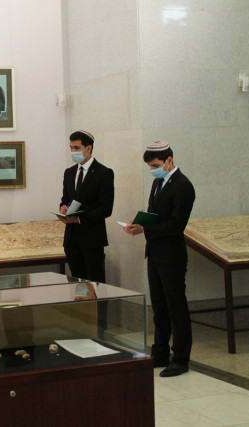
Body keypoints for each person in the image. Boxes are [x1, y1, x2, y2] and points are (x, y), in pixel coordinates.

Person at [124, 141, 195, 377]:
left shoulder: (183, 186)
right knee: (159, 307)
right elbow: (155, 215)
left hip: (171, 256)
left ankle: (181, 358)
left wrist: (145, 229)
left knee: (176, 307)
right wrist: (139, 222)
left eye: (155, 165)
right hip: (154, 253)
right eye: (150, 167)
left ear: (169, 160)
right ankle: (160, 352)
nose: (152, 170)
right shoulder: (158, 182)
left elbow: (176, 225)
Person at [56, 130, 114, 283]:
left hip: (92, 238)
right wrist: (63, 208)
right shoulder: (69, 173)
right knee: (77, 284)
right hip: (71, 239)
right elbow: (65, 199)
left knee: (95, 284)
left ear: (88, 148)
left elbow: (106, 208)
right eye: (71, 148)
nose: (73, 151)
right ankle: (81, 300)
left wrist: (79, 219)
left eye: (76, 148)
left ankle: (97, 300)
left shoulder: (104, 173)